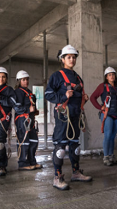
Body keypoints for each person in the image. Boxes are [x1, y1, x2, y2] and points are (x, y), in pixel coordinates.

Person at [45, 44, 92, 190]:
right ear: (63, 59)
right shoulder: (57, 76)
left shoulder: (78, 78)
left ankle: (76, 172)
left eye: (73, 57)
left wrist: (84, 98)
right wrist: (63, 96)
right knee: (60, 147)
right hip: (63, 116)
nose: (72, 60)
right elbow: (48, 94)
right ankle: (57, 177)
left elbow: (77, 96)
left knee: (75, 146)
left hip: (76, 116)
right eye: (68, 57)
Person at [90, 67, 117, 166]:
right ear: (106, 77)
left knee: (113, 137)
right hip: (107, 115)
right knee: (108, 135)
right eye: (109, 75)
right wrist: (100, 107)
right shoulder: (102, 86)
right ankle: (106, 157)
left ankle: (111, 156)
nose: (112, 76)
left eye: (113, 74)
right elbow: (92, 98)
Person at [14, 70, 42, 170]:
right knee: (24, 141)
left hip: (30, 120)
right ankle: (22, 163)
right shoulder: (18, 92)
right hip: (22, 121)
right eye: (23, 80)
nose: (26, 81)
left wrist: (35, 111)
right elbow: (16, 108)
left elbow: (31, 106)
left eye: (27, 79)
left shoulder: (29, 92)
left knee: (33, 140)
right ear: (19, 81)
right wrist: (27, 110)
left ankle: (32, 161)